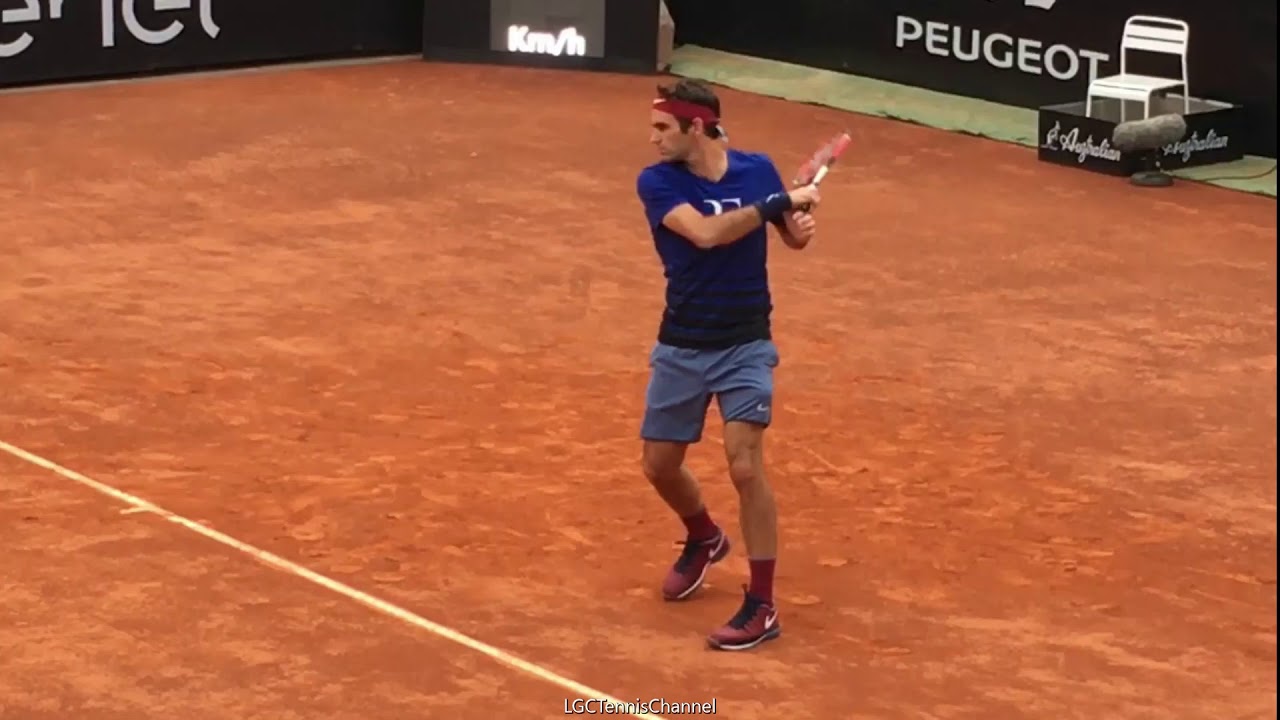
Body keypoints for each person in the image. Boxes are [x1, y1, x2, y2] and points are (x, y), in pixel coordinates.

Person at [634, 79, 820, 651]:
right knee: (660, 466)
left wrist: (797, 224)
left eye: (664, 127)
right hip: (683, 343)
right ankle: (704, 536)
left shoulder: (757, 170)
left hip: (745, 342)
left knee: (745, 466)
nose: (653, 137)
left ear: (697, 127)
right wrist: (776, 206)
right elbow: (708, 234)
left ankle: (762, 605)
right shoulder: (657, 181)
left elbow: (790, 237)